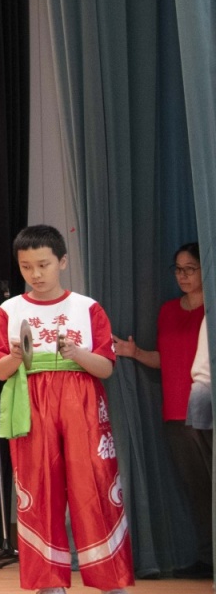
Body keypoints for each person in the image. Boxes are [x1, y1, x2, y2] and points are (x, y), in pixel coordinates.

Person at [0, 225, 138, 594]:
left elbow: (106, 367)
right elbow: (0, 370)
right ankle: (49, 587)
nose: (35, 274)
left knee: (95, 486)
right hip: (31, 402)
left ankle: (114, 589)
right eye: (26, 267)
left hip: (81, 402)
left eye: (43, 264)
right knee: (39, 488)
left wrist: (76, 353)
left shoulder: (87, 308)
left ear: (62, 262)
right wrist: (16, 357)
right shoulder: (10, 310)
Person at [112, 242, 211, 566]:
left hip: (207, 410)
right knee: (196, 488)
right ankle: (208, 557)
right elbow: (165, 359)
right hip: (176, 414)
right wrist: (135, 353)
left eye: (190, 269)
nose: (183, 276)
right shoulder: (168, 310)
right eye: (178, 269)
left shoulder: (210, 310)